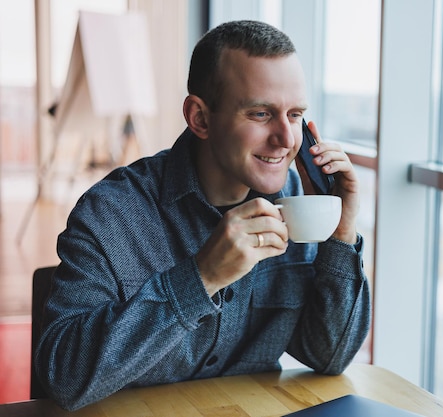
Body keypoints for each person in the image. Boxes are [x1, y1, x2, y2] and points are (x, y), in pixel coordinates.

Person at [35, 20, 371, 411]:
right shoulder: (111, 214)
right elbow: (62, 376)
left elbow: (329, 357)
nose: (286, 139)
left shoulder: (298, 202)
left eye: (295, 115)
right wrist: (200, 278)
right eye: (261, 114)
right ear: (200, 118)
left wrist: (341, 234)